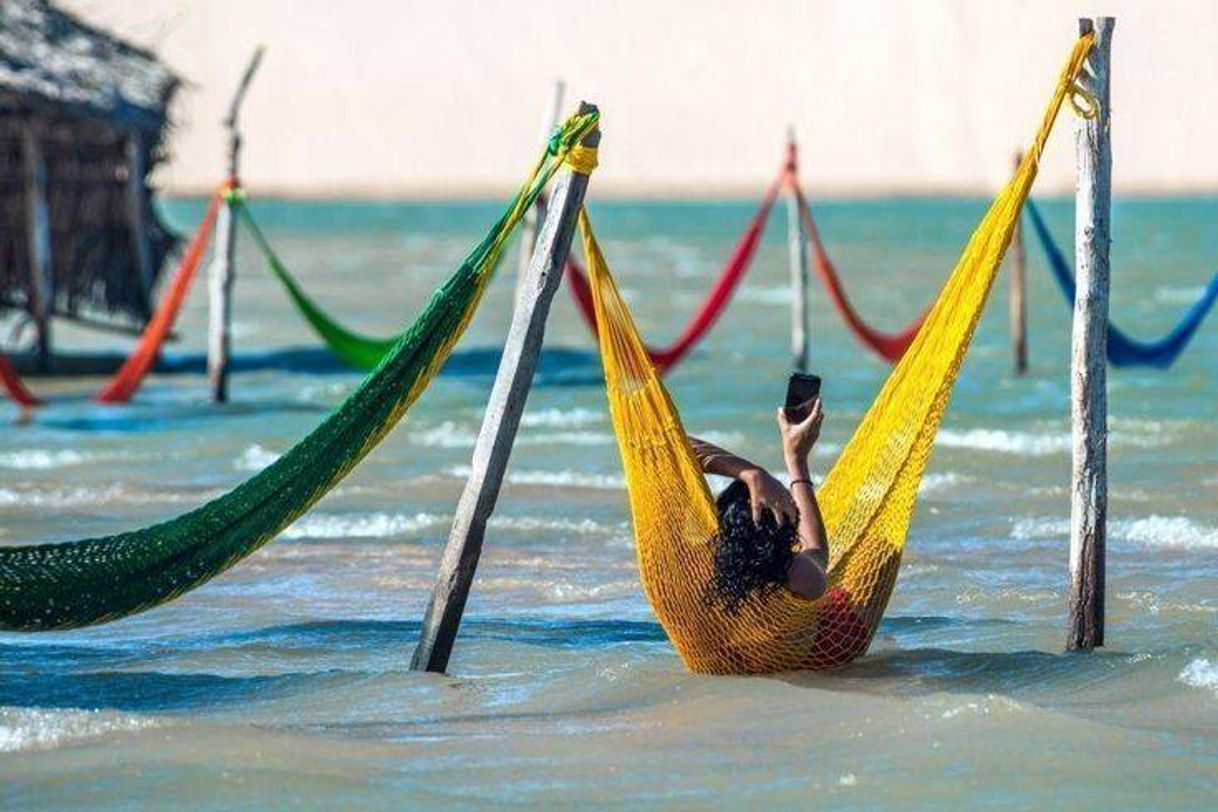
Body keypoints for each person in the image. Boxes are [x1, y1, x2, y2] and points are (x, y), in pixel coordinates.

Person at [688, 397, 828, 614]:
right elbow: (817, 552)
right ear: (784, 523)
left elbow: (665, 444)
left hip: (708, 646)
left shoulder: (694, 567)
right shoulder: (798, 576)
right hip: (789, 647)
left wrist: (750, 473)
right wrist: (796, 459)